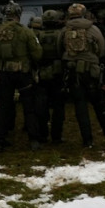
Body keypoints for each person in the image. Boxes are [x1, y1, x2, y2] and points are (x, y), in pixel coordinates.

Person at [61, 3, 105, 149]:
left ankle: (87, 141)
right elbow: (102, 48)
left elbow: (59, 49)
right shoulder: (92, 29)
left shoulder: (64, 31)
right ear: (84, 14)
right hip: (91, 72)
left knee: (80, 108)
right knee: (100, 105)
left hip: (74, 74)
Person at [0, 1, 43, 152]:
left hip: (4, 74)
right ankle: (34, 140)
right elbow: (37, 54)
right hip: (23, 74)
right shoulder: (25, 32)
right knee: (29, 107)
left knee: (4, 107)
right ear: (18, 15)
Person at [33, 9, 66, 145]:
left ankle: (42, 135)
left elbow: (35, 55)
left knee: (41, 106)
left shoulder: (38, 36)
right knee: (58, 107)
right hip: (58, 73)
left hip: (41, 73)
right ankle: (56, 137)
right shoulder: (61, 35)